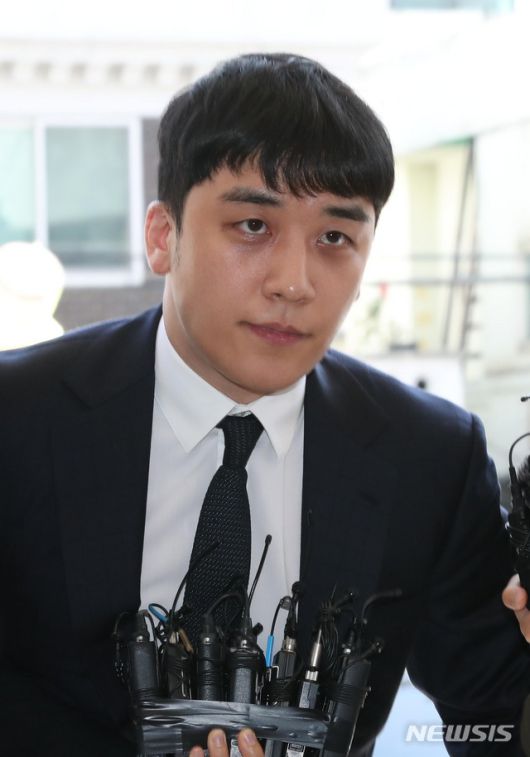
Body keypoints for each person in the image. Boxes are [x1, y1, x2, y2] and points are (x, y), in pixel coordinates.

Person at [0, 52, 528, 757]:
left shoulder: (429, 457)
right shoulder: (18, 421)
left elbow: (494, 719)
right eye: (253, 225)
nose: (293, 282)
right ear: (163, 236)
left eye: (334, 237)